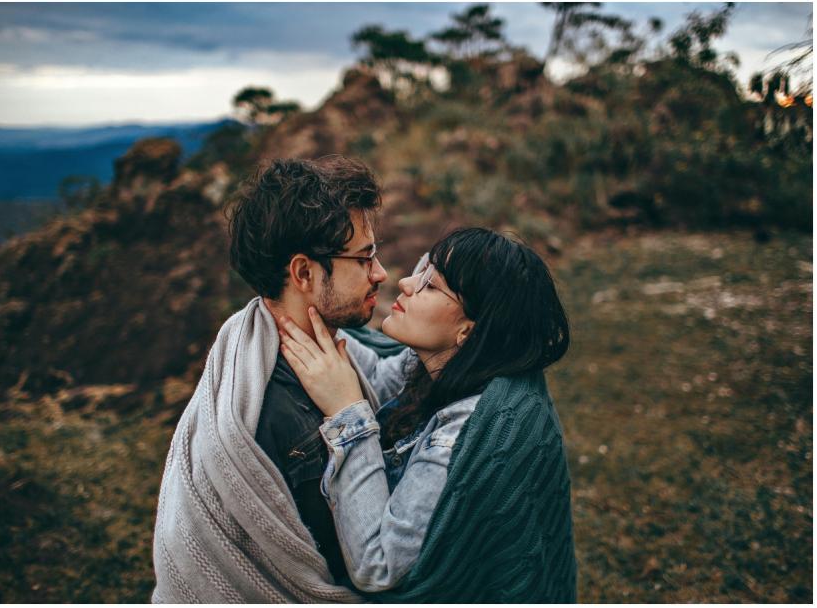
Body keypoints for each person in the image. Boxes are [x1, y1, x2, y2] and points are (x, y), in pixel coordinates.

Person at [151, 156, 411, 602]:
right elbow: (360, 566)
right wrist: (350, 413)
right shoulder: (285, 415)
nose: (380, 273)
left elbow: (389, 376)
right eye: (364, 257)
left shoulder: (298, 344)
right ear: (304, 273)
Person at [277, 227, 577, 602]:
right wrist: (296, 307)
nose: (405, 283)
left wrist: (346, 412)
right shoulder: (449, 364)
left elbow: (378, 565)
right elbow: (375, 376)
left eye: (431, 285)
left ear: (468, 330)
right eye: (422, 271)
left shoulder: (463, 435)